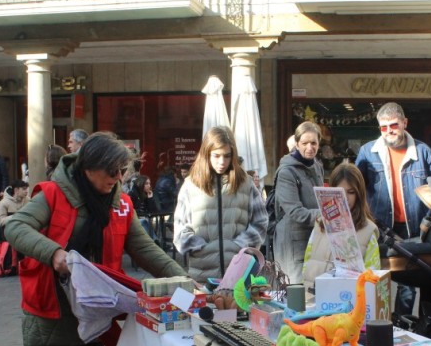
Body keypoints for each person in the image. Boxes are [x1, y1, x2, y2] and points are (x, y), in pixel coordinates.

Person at [5, 133, 186, 346]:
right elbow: (15, 226)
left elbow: (144, 248)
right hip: (56, 303)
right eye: (112, 172)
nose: (118, 179)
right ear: (89, 168)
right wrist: (53, 252)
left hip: (97, 304)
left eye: (121, 172)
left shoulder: (119, 201)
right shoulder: (54, 193)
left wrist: (182, 280)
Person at [355, 102, 431, 317]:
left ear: (404, 123)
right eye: (383, 127)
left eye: (393, 125)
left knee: (409, 282)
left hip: (417, 228)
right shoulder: (367, 152)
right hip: (380, 228)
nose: (389, 131)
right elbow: (356, 189)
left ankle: (407, 326)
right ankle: (382, 325)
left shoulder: (424, 152)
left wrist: (429, 220)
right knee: (378, 278)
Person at [173, 126, 267, 282]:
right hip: (202, 275)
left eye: (227, 156)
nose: (222, 162)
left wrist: (240, 246)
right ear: (206, 154)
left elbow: (261, 221)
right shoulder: (190, 185)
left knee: (240, 307)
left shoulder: (245, 183)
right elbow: (180, 229)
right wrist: (201, 248)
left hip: (240, 274)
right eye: (216, 156)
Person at [302, 163, 380, 295]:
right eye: (340, 192)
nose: (345, 198)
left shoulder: (368, 230)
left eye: (351, 192)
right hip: (314, 299)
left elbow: (372, 278)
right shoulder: (320, 224)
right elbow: (307, 262)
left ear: (359, 194)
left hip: (349, 304)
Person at [273, 121, 325, 284]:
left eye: (314, 143)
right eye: (305, 143)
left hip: (313, 237)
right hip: (292, 244)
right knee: (296, 294)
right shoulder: (286, 172)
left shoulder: (317, 166)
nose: (310, 147)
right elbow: (295, 212)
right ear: (296, 144)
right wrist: (325, 215)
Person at [129, 174, 158, 240]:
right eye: (146, 184)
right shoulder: (132, 194)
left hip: (145, 218)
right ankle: (155, 241)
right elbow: (130, 210)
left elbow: (154, 211)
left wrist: (150, 198)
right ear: (141, 184)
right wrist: (140, 212)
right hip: (134, 220)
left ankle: (154, 241)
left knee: (150, 222)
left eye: (149, 183)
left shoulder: (146, 194)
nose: (149, 186)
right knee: (144, 222)